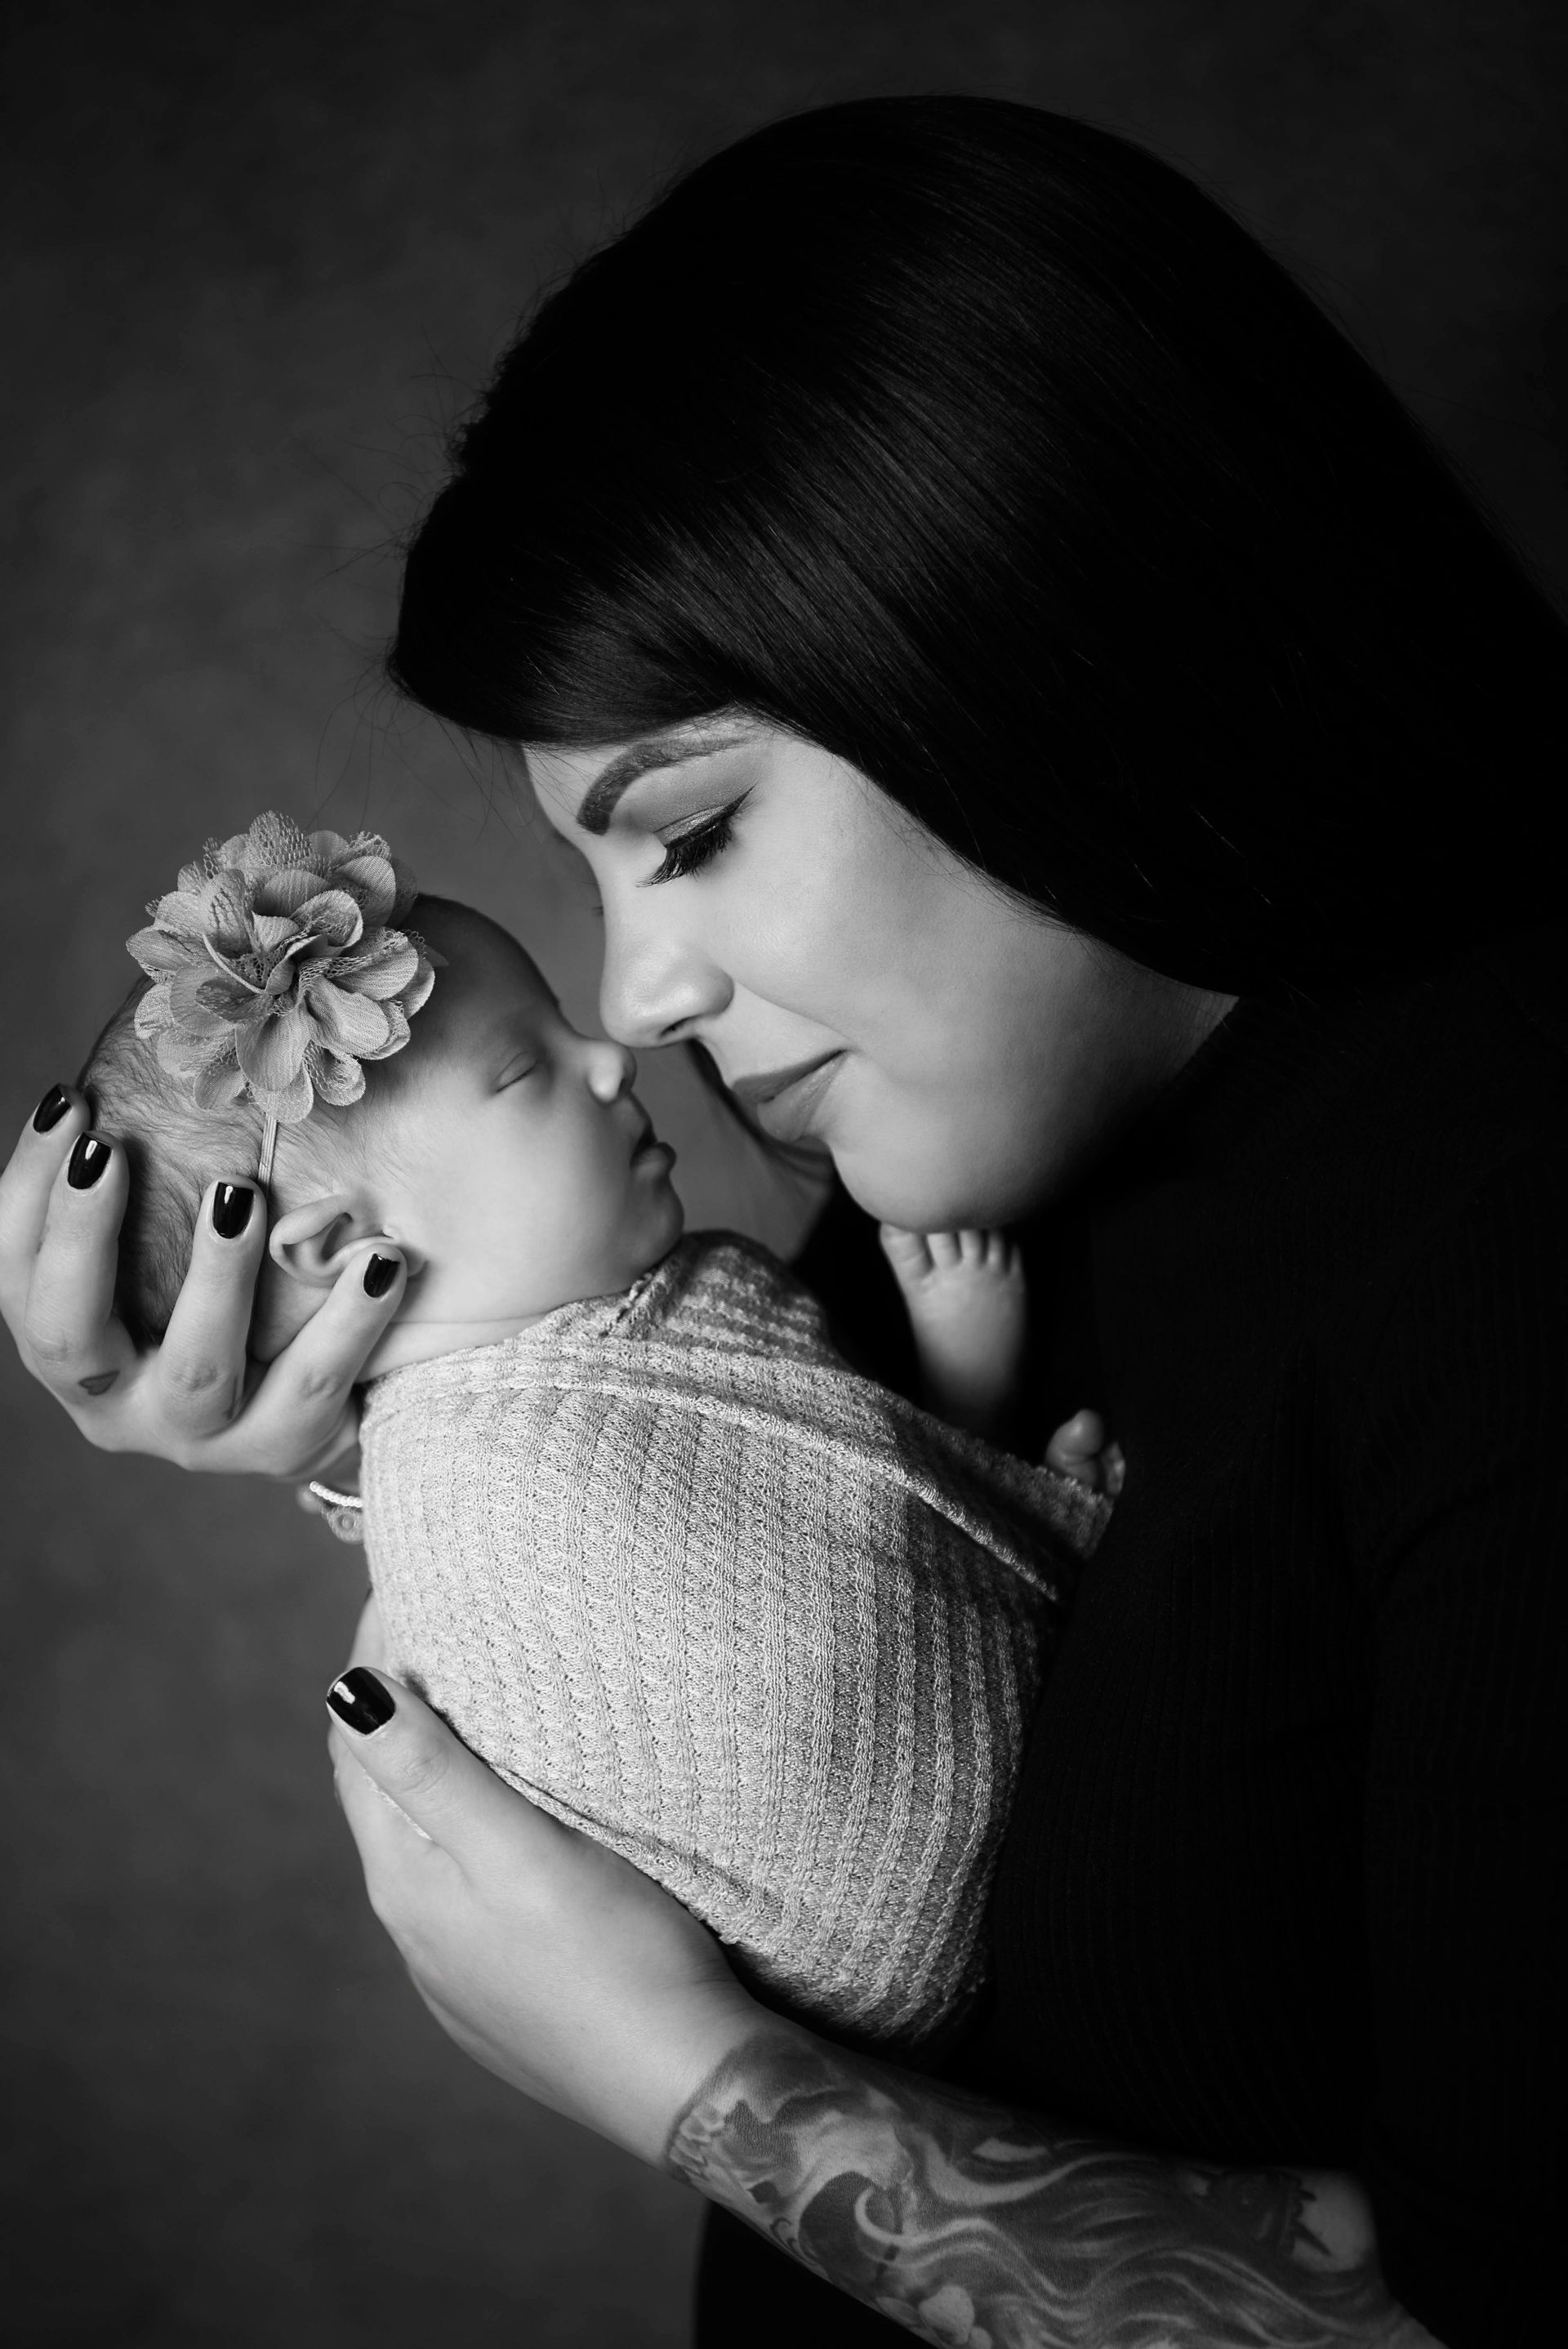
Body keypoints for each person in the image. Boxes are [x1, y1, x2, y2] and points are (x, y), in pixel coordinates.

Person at [3, 94, 1563, 2348]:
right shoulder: (960, 1156)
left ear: (1034, 626)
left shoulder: (1510, 1252)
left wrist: (699, 2079)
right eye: (599, 881)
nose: (640, 997)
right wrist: (368, 1411)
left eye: (698, 831)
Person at [79, 820, 1107, 2046]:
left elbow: (861, 1525)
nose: (615, 1056)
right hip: (865, 1949)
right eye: (528, 1074)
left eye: (567, 1024)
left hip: (1052, 1829)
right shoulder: (486, 1498)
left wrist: (963, 1391)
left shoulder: (650, 1317)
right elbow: (790, 1627)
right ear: (342, 1251)